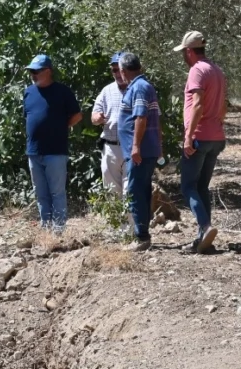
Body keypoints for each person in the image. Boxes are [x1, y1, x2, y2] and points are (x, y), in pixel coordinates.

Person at [175, 30, 227, 253]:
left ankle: (205, 227)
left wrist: (188, 136)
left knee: (187, 186)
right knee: (202, 187)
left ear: (189, 51)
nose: (183, 58)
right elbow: (223, 105)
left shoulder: (197, 71)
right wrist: (218, 124)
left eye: (183, 53)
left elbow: (197, 104)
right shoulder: (217, 70)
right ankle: (203, 238)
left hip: (200, 137)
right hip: (216, 136)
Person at [23, 54, 82, 234]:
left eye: (36, 71)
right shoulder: (28, 92)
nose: (32, 74)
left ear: (48, 71)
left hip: (55, 151)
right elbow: (28, 116)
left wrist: (61, 127)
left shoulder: (63, 92)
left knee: (57, 192)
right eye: (31, 71)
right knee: (41, 193)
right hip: (34, 151)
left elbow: (77, 115)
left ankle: (58, 230)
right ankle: (45, 228)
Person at [117, 54, 162, 252]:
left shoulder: (139, 87)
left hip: (139, 152)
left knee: (135, 190)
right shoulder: (142, 86)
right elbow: (156, 119)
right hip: (143, 150)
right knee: (141, 190)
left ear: (124, 71)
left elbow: (141, 117)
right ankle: (142, 232)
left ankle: (141, 237)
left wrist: (135, 146)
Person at [91, 53, 129, 195]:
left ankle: (130, 218)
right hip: (110, 147)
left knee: (129, 192)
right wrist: (98, 118)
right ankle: (116, 218)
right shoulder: (106, 91)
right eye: (114, 70)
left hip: (131, 147)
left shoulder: (138, 88)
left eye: (119, 69)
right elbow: (94, 117)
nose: (117, 73)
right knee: (112, 192)